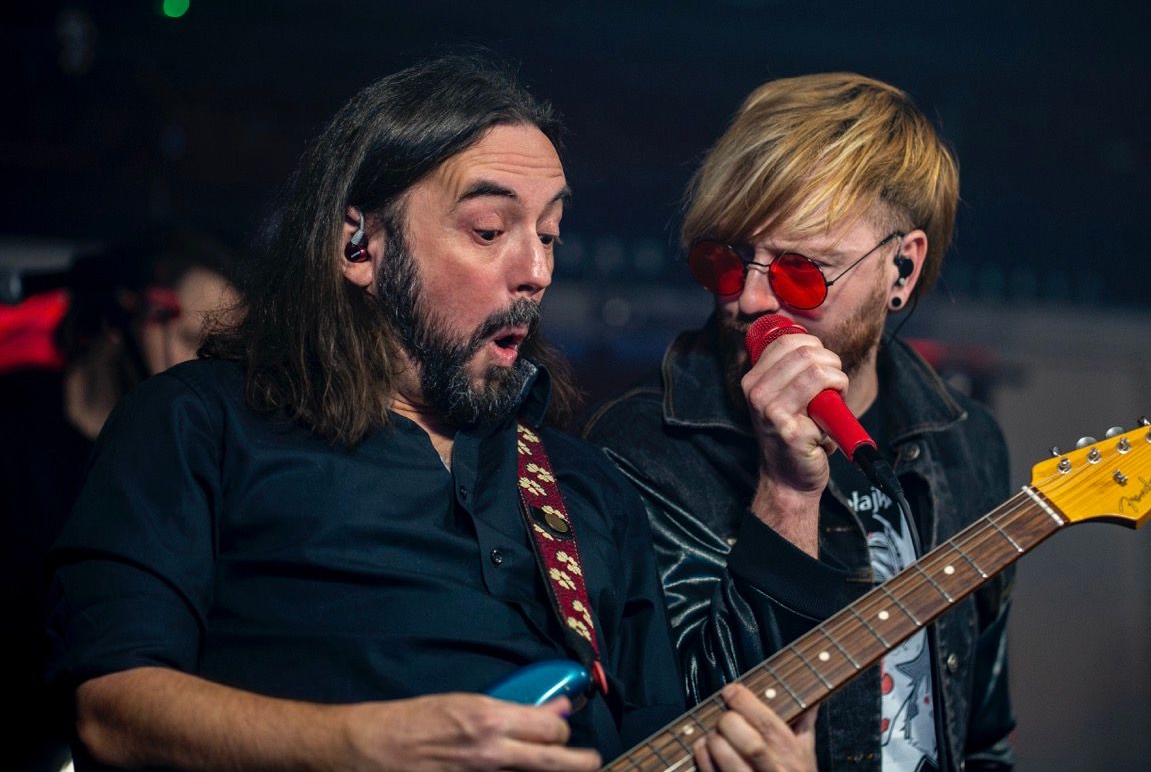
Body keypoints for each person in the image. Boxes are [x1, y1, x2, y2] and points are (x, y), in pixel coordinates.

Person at [45, 56, 817, 771]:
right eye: (490, 230)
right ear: (359, 246)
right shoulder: (197, 421)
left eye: (549, 233)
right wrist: (366, 742)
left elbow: (657, 737)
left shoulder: (585, 486)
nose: (538, 270)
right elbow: (109, 710)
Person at [583, 73, 1016, 771]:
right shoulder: (641, 445)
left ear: (901, 269)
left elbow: (981, 741)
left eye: (801, 273)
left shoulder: (965, 442)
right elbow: (684, 741)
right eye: (728, 262)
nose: (752, 300)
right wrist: (786, 491)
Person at [1, 231, 238, 772]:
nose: (210, 367)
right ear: (121, 320)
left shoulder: (202, 465)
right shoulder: (17, 425)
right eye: (192, 338)